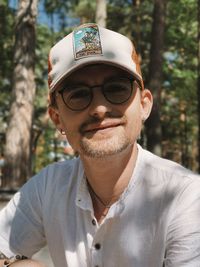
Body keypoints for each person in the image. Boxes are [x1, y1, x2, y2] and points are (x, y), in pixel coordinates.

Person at [0, 23, 200, 267]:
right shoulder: (47, 188)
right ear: (57, 118)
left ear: (144, 105)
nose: (99, 109)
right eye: (78, 94)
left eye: (117, 89)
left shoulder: (185, 197)